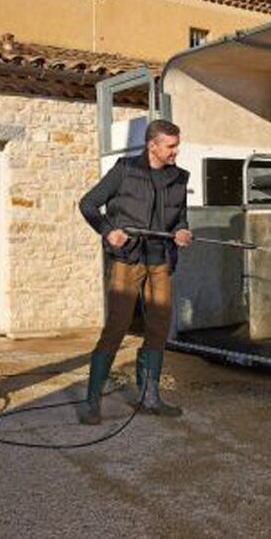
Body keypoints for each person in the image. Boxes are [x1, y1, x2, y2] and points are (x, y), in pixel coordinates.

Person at [78, 119, 192, 425]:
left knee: (159, 327)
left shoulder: (179, 178)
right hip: (128, 259)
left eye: (177, 145)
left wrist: (182, 231)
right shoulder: (124, 170)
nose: (176, 151)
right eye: (171, 146)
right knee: (117, 326)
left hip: (160, 260)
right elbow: (88, 204)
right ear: (152, 145)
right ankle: (92, 402)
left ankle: (149, 397)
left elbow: (181, 217)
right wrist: (108, 231)